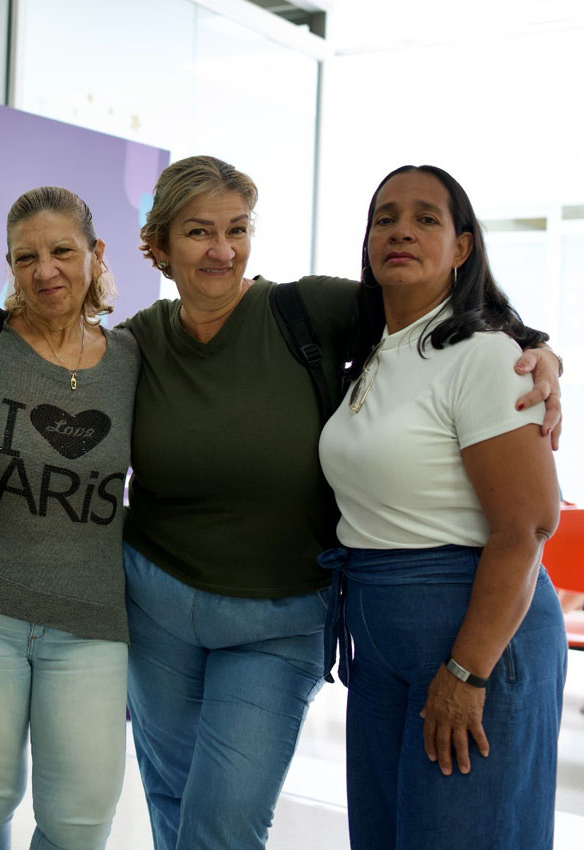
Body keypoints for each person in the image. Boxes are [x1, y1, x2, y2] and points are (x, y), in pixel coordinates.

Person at [120, 155, 562, 850]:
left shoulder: (316, 311)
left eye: (237, 229)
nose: (222, 249)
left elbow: (529, 517)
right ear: (161, 244)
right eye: (199, 232)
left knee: (234, 816)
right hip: (336, 622)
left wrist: (541, 355)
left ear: (463, 244)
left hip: (356, 615)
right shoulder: (141, 342)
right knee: (197, 797)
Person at [318, 164, 566, 849]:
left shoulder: (486, 356)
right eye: (385, 217)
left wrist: (467, 670)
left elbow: (529, 525)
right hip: (381, 637)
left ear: (462, 248)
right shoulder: (375, 355)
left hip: (474, 632)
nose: (401, 230)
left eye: (426, 218)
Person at [0, 186, 139, 850]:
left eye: (62, 251)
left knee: (81, 820)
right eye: (26, 258)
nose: (45, 270)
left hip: (91, 622)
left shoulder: (134, 358)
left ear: (95, 252)